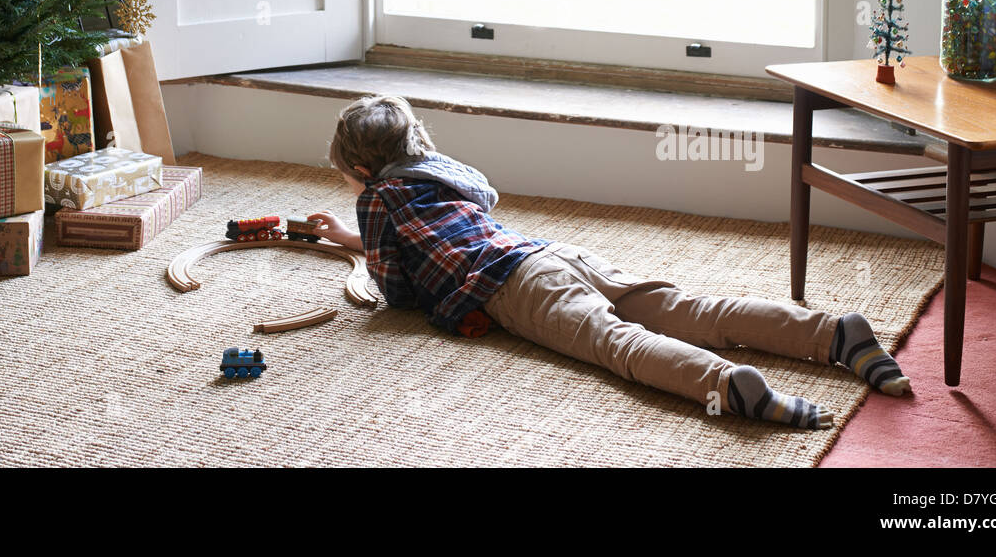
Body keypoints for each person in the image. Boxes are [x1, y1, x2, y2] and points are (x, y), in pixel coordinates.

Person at [308, 94, 911, 430]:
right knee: (687, 307)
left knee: (614, 343)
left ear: (361, 170)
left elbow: (398, 288)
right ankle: (835, 334)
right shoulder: (437, 173)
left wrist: (363, 239)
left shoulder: (377, 198)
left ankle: (724, 385)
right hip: (553, 254)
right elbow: (431, 237)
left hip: (515, 286)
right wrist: (347, 237)